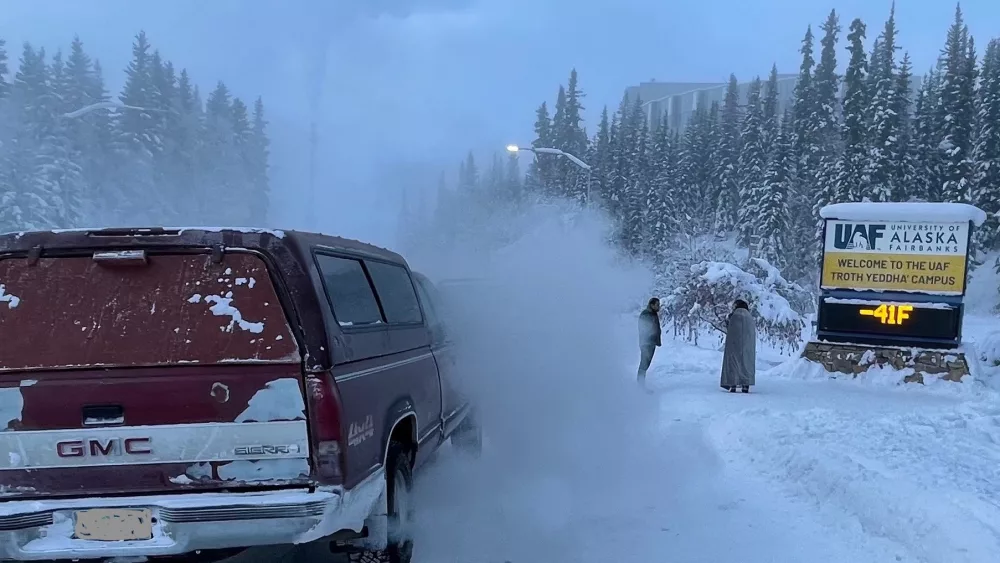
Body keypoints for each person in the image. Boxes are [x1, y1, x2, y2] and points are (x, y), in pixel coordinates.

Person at [720, 299, 756, 393]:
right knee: (746, 363)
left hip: (734, 345)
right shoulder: (750, 317)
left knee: (733, 363)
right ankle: (745, 385)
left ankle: (733, 384)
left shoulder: (734, 316)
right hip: (747, 346)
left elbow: (728, 327)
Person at [637, 297, 662, 388]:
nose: (659, 307)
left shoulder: (653, 314)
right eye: (657, 305)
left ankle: (641, 385)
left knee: (645, 365)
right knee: (644, 365)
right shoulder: (646, 315)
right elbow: (644, 329)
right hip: (646, 344)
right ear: (652, 305)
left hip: (650, 343)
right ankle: (640, 387)